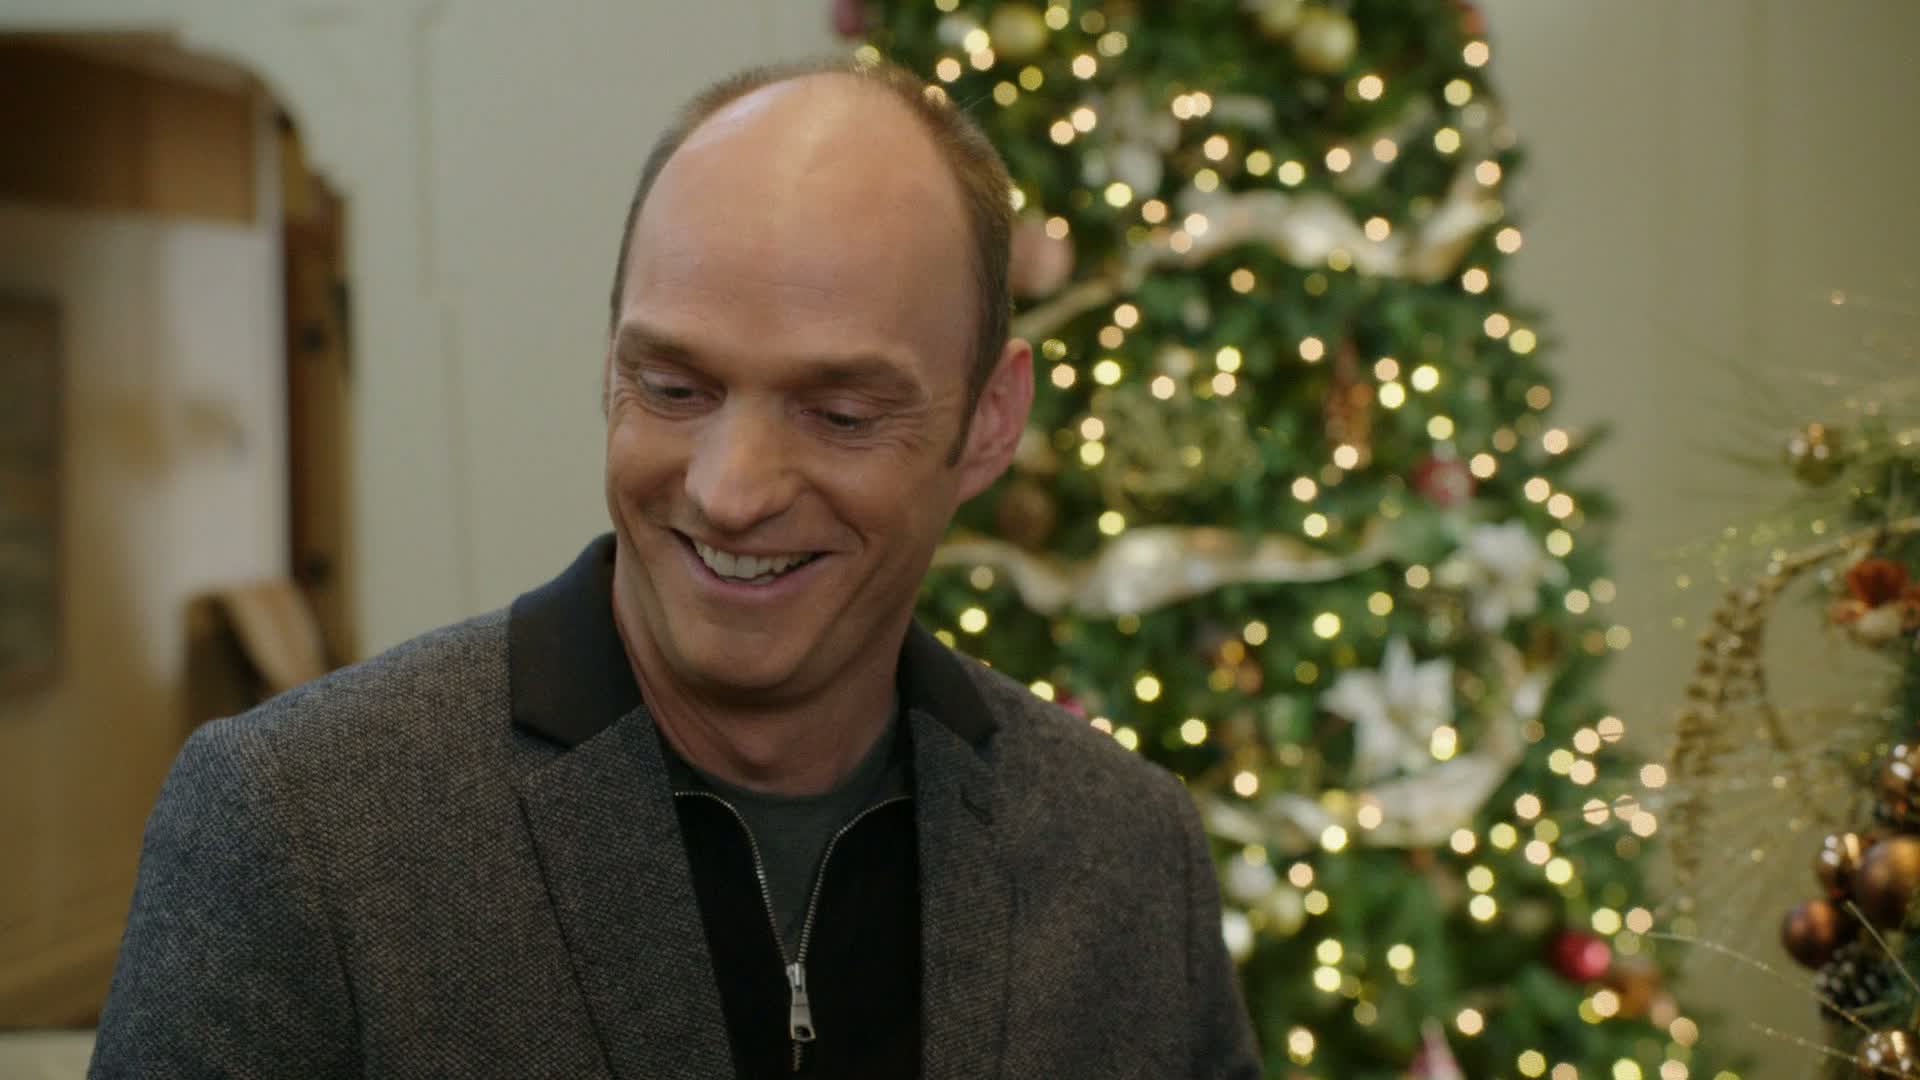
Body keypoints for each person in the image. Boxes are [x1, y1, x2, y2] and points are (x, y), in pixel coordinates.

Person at [91, 58, 1260, 1079]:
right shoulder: (299, 831)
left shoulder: (1126, 855)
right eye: (673, 389)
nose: (729, 491)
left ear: (991, 422)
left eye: (841, 413)